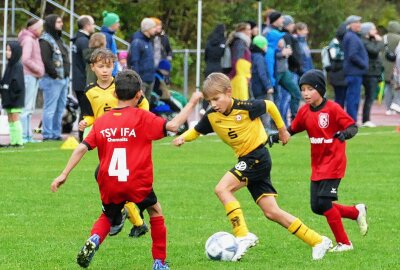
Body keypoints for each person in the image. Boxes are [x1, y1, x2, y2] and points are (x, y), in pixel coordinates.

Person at [50, 69, 202, 269]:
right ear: (139, 95)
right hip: (137, 180)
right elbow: (173, 126)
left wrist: (63, 174)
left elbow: (81, 147)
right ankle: (159, 262)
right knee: (155, 211)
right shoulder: (143, 117)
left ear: (114, 94)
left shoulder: (102, 121)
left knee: (107, 216)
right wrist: (192, 102)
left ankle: (95, 239)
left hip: (109, 181)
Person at [173, 72, 332, 261]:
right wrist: (184, 137)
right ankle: (317, 240)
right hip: (250, 160)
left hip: (257, 157)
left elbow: (270, 106)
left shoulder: (245, 107)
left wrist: (282, 130)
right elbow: (197, 131)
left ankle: (242, 235)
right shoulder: (212, 116)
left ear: (229, 92)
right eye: (209, 100)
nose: (213, 104)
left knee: (222, 189)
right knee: (272, 212)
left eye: (216, 98)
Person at [287, 69, 368, 252]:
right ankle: (355, 212)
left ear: (320, 89)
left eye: (310, 89)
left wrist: (344, 134)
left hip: (334, 162)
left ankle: (345, 243)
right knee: (317, 207)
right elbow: (291, 129)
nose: (305, 93)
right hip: (317, 165)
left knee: (324, 203)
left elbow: (352, 126)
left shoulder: (333, 108)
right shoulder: (304, 112)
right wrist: (276, 136)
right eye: (303, 89)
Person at [79, 48, 150, 238]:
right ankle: (137, 222)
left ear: (114, 66)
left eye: (108, 66)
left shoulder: (121, 85)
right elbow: (90, 115)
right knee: (116, 180)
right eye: (100, 66)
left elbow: (143, 103)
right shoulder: (89, 91)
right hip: (105, 139)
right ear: (93, 67)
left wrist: (141, 119)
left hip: (125, 137)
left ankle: (119, 217)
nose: (104, 70)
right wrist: (86, 122)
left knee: (111, 178)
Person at [39, 14, 70, 141]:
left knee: (60, 108)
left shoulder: (59, 39)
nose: (61, 24)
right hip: (52, 80)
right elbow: (46, 60)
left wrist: (65, 75)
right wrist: (55, 75)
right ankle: (47, 134)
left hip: (64, 79)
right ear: (51, 23)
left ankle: (56, 133)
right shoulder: (45, 40)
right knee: (50, 108)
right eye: (58, 22)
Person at [18, 18, 45, 143]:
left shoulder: (33, 39)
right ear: (34, 28)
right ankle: (24, 135)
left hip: (32, 76)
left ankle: (28, 135)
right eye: (40, 28)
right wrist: (39, 69)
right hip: (29, 76)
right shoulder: (29, 40)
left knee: (30, 107)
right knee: (26, 107)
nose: (42, 30)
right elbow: (26, 59)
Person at [72, 15, 96, 141]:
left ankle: (83, 136)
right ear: (87, 25)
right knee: (86, 110)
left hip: (78, 80)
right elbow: (88, 58)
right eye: (92, 24)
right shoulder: (83, 41)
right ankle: (83, 137)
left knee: (84, 109)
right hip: (82, 80)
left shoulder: (77, 39)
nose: (94, 27)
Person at [342, 15, 368, 122]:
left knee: (354, 98)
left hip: (354, 72)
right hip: (353, 72)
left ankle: (352, 120)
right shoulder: (351, 37)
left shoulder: (352, 36)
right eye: (356, 22)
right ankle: (351, 121)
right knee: (353, 98)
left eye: (359, 22)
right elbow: (353, 55)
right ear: (350, 24)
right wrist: (364, 64)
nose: (359, 24)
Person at [0, 41, 25, 148]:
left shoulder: (17, 66)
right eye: (6, 49)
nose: (7, 52)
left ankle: (18, 142)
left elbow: (17, 83)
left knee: (15, 118)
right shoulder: (10, 65)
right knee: (10, 119)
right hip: (8, 98)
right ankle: (13, 141)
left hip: (15, 98)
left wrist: (8, 89)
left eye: (9, 50)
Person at [360, 22, 384, 127]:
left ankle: (366, 119)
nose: (376, 31)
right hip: (369, 73)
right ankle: (366, 119)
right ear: (367, 31)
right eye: (373, 29)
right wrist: (381, 41)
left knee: (370, 96)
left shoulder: (369, 41)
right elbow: (374, 51)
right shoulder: (364, 41)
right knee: (369, 96)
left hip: (374, 72)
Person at [129, 18, 157, 100]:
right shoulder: (137, 42)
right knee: (140, 104)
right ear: (147, 28)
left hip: (150, 79)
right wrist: (137, 80)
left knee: (147, 105)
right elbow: (134, 62)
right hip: (142, 80)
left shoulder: (149, 42)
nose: (155, 29)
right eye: (153, 27)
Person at [227, 22, 252, 100]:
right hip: (239, 75)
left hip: (242, 74)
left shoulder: (241, 41)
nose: (250, 31)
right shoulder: (240, 42)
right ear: (242, 31)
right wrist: (234, 73)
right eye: (248, 29)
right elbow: (237, 59)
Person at [325, 23, 348, 108]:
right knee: (339, 98)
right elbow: (335, 55)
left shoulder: (343, 42)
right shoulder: (335, 43)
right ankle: (337, 117)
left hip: (342, 73)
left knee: (342, 97)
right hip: (337, 73)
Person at [382, 21, 400, 114]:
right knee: (397, 87)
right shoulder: (398, 38)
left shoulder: (383, 38)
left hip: (385, 66)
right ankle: (396, 106)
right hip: (395, 66)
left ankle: (388, 108)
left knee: (387, 86)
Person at [100, 11, 120, 77]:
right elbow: (106, 55)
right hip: (110, 74)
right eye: (117, 23)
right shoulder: (107, 37)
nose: (119, 25)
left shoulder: (109, 36)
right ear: (112, 24)